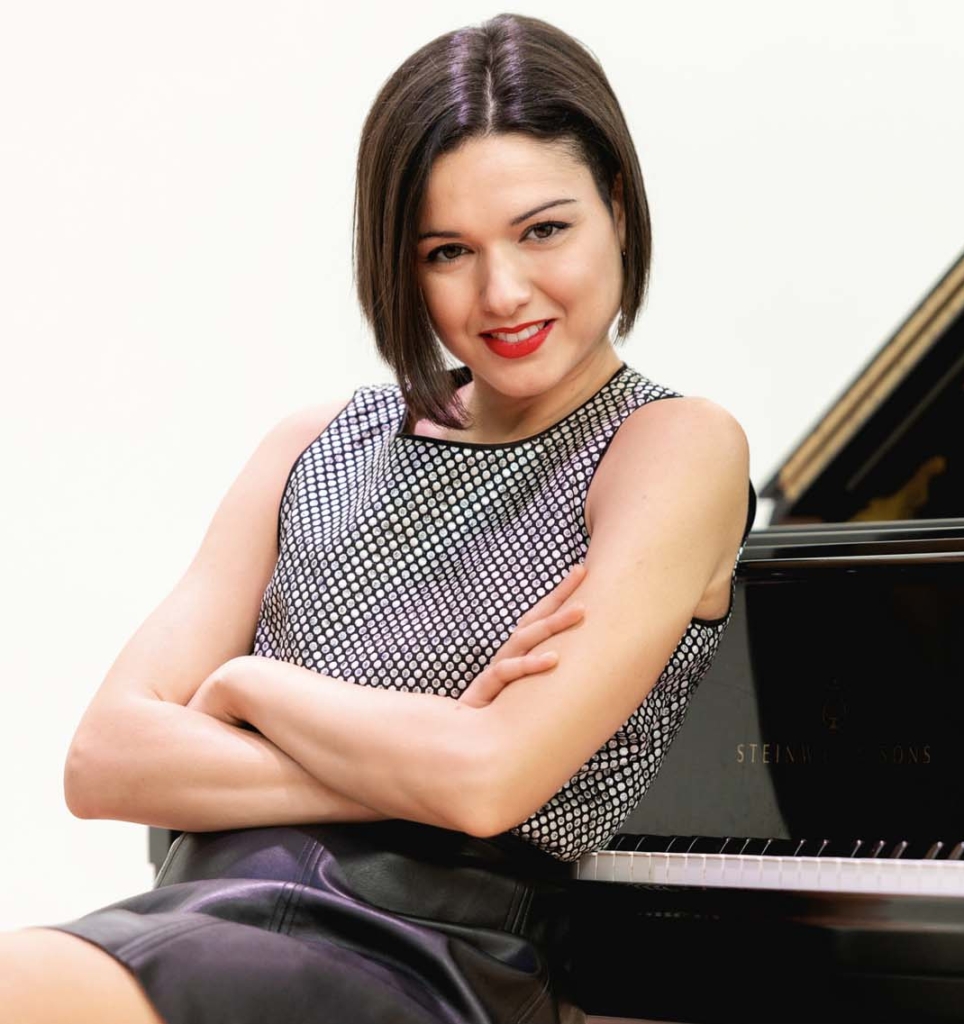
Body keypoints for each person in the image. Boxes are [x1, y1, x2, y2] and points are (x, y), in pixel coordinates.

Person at [0, 12, 755, 1023]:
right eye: (448, 250)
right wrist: (420, 757)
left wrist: (247, 684)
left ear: (616, 205)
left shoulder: (672, 446)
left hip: (419, 951)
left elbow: (489, 785)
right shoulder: (312, 443)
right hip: (198, 906)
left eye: (544, 228)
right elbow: (104, 762)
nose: (503, 291)